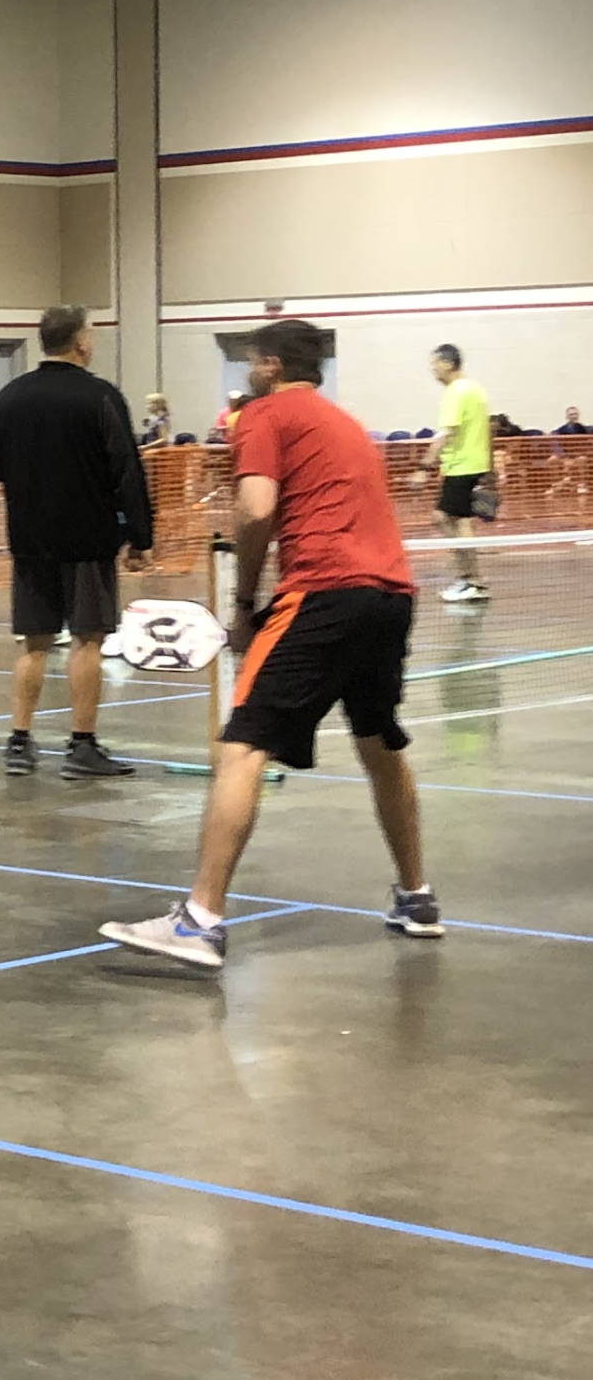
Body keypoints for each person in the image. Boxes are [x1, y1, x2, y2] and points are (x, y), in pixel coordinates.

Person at [100, 319, 438, 969]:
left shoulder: (263, 415)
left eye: (253, 361)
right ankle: (417, 898)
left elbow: (256, 509)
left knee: (243, 745)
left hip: (323, 592)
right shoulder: (346, 425)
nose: (248, 372)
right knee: (379, 742)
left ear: (273, 366)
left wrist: (244, 603)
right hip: (391, 597)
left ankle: (199, 921)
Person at [0, 305, 153, 780]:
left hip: (30, 536)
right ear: (80, 342)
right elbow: (126, 469)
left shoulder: (10, 397)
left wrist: (30, 480)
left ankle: (19, 742)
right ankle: (82, 745)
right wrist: (140, 536)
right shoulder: (100, 396)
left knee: (33, 643)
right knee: (88, 640)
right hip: (88, 538)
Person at [415, 344, 490, 603]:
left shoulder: (455, 392)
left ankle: (471, 580)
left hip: (461, 467)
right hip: (473, 465)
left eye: (435, 364)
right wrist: (489, 470)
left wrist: (423, 468)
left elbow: (445, 434)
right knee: (456, 520)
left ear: (448, 364)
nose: (433, 369)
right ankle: (472, 580)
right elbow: (486, 430)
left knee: (447, 519)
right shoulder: (474, 389)